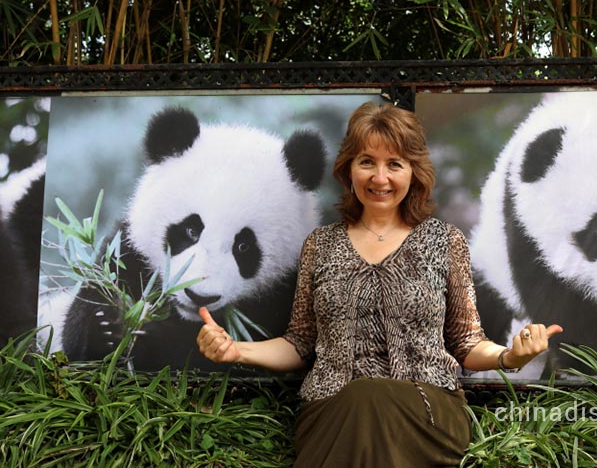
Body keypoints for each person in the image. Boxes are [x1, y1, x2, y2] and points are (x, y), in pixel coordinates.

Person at [197, 101, 563, 467]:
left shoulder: (444, 242)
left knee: (371, 397)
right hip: (333, 412)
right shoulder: (321, 244)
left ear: (414, 171)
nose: (380, 177)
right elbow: (299, 343)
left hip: (427, 410)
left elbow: (466, 342)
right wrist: (236, 350)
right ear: (349, 169)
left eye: (395, 164)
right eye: (367, 161)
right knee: (362, 399)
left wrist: (510, 357)